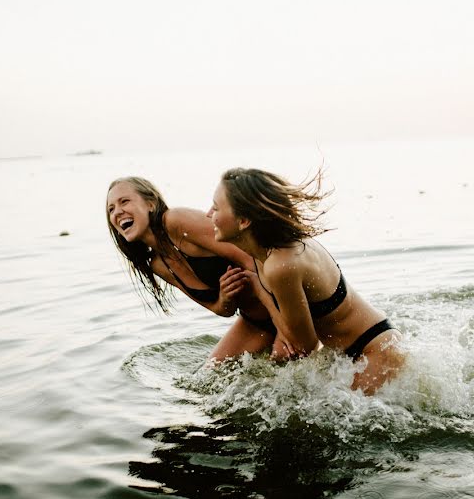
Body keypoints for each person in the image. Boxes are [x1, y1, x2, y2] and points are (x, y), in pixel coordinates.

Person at [207, 168, 406, 395]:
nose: (208, 214)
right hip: (351, 352)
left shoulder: (281, 265)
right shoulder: (266, 250)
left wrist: (259, 291)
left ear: (243, 221)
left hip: (374, 350)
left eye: (216, 207)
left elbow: (305, 347)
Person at [107, 177, 276, 361]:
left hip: (285, 303)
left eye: (124, 201)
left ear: (150, 204)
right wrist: (225, 297)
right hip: (256, 321)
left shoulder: (176, 220)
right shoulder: (158, 265)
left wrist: (285, 329)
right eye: (111, 209)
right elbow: (221, 310)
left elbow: (255, 261)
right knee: (210, 375)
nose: (117, 212)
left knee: (283, 358)